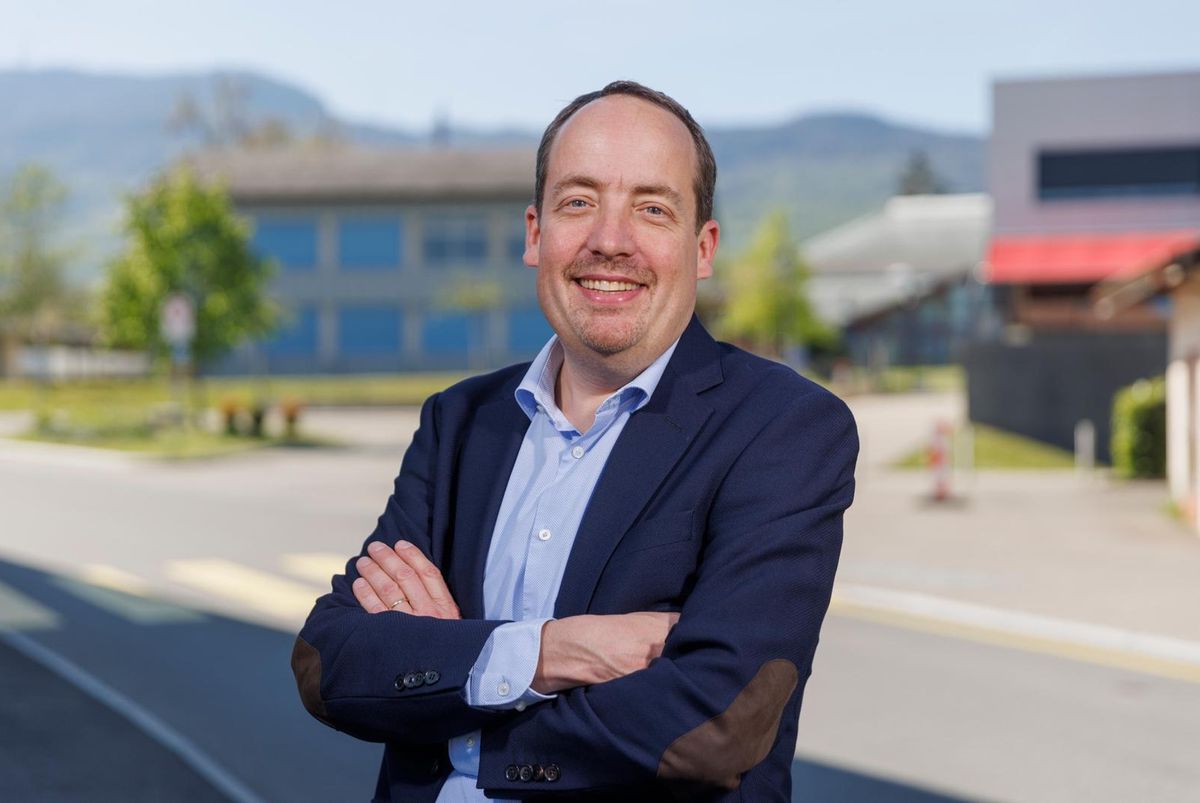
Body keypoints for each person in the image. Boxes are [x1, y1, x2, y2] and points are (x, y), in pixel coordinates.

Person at [291, 80, 858, 802]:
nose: (610, 241)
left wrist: (457, 690)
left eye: (652, 209)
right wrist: (545, 653)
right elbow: (328, 660)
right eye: (578, 202)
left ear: (703, 246)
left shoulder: (783, 428)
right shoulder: (460, 423)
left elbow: (718, 723)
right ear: (535, 233)